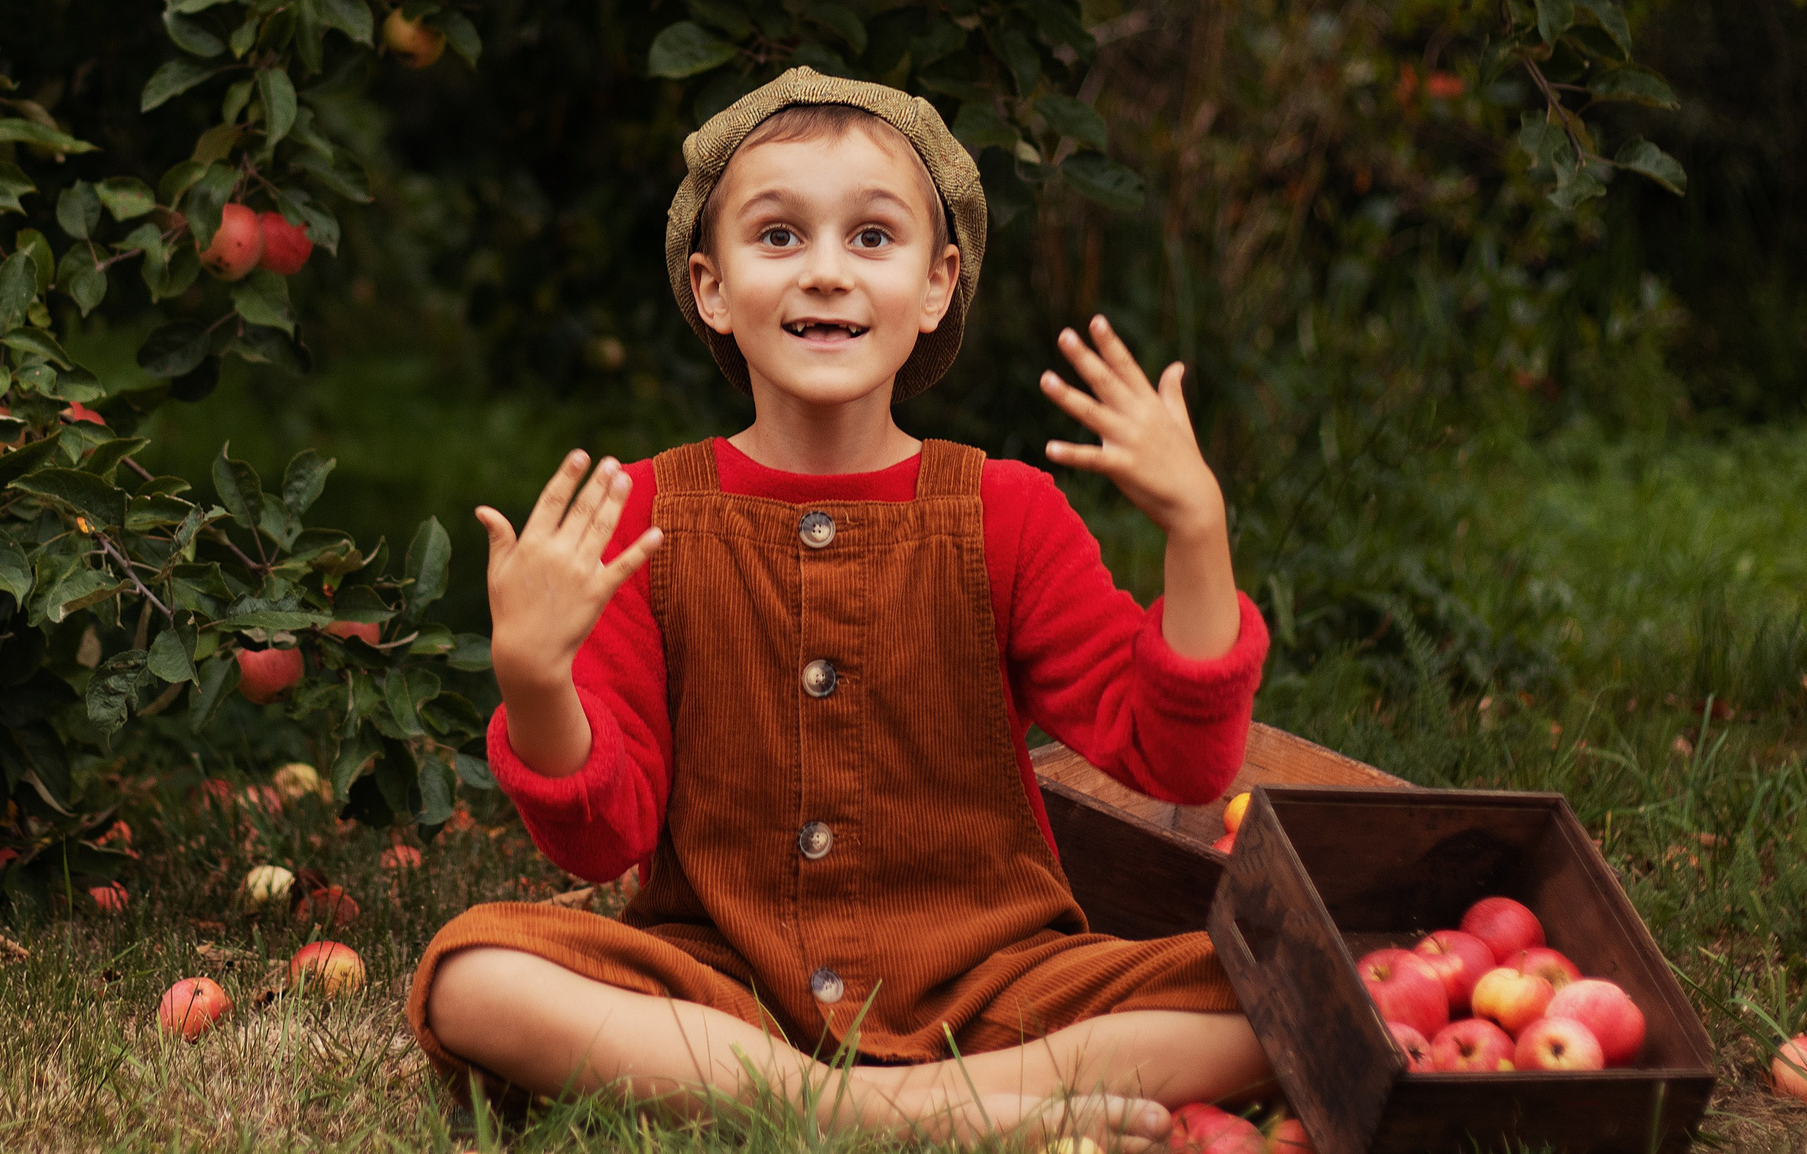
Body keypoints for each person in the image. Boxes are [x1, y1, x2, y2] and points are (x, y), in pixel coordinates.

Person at [408, 69, 1273, 1150]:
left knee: (1277, 995)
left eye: (872, 237)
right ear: (711, 286)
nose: (825, 271)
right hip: (722, 986)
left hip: (993, 984)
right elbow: (605, 836)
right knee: (472, 977)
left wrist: (1197, 533)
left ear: (935, 283)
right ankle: (888, 1116)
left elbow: (1175, 763)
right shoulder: (644, 514)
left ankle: (861, 1109)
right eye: (778, 237)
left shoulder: (1007, 513)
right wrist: (535, 681)